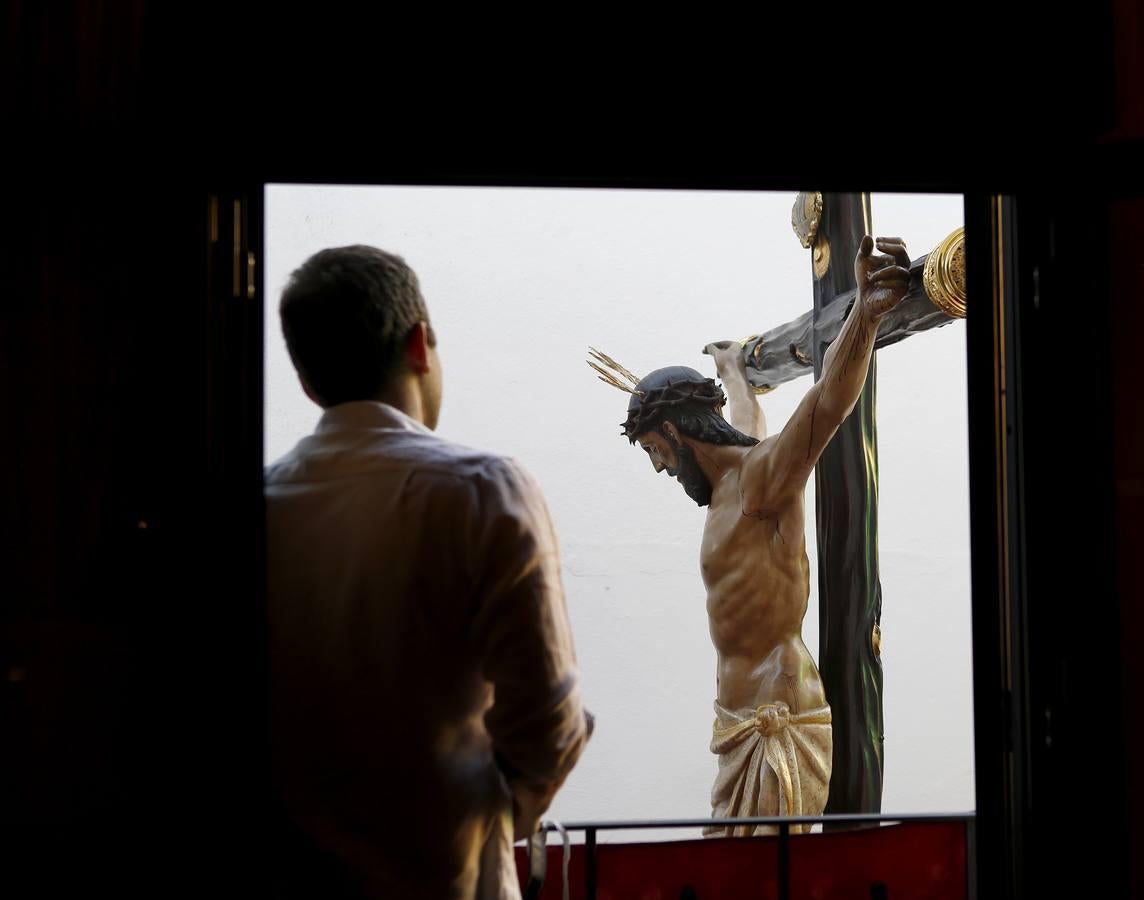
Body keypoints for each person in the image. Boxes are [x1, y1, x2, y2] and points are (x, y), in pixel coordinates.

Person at [267, 245, 592, 899]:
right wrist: (468, 824)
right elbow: (547, 728)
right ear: (420, 345)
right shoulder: (483, 490)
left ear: (308, 383)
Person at [592, 235, 911, 836]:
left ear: (676, 431)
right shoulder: (725, 488)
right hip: (738, 718)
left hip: (778, 714)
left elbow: (827, 404)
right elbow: (745, 421)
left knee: (762, 877)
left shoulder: (763, 481)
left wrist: (864, 316)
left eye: (658, 451)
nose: (660, 467)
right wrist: (736, 370)